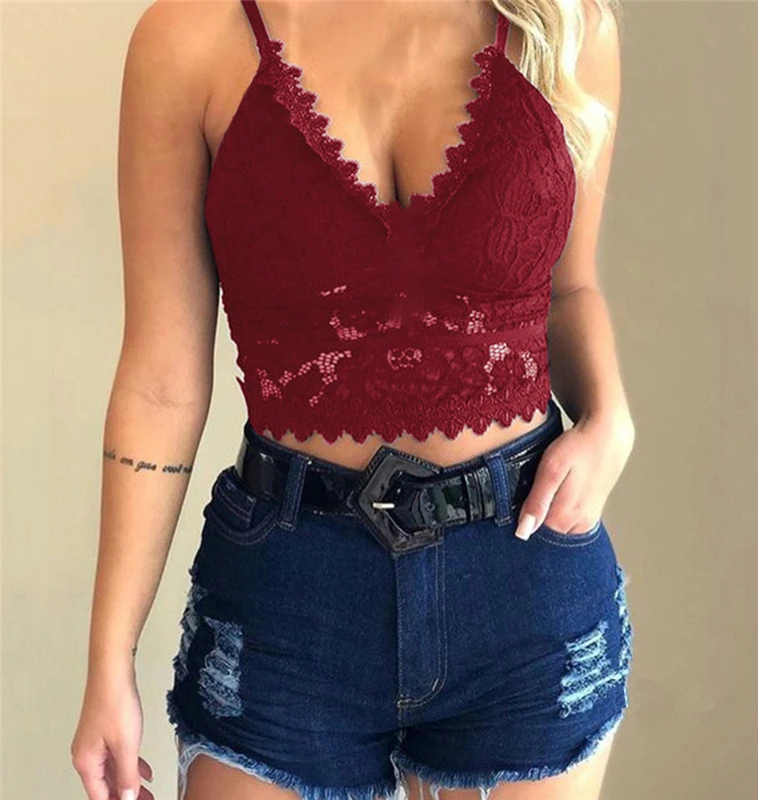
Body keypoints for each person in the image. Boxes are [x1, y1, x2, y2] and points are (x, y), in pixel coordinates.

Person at [70, 1, 632, 799]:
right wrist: (109, 657)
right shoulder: (189, 39)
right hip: (288, 594)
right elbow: (160, 381)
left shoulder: (562, 26)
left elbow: (568, 290)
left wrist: (610, 417)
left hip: (523, 577)